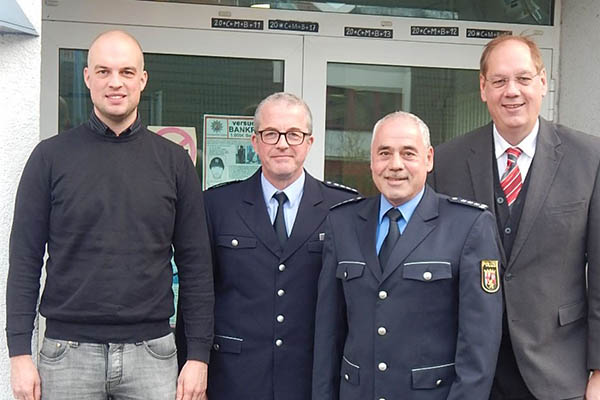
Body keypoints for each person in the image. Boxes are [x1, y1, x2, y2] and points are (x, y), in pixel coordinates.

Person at [6, 30, 213, 400]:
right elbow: (24, 260)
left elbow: (196, 265)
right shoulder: (50, 159)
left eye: (126, 72)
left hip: (152, 352)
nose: (115, 82)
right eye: (103, 71)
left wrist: (197, 355)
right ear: (87, 78)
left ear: (143, 80)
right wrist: (19, 352)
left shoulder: (174, 163)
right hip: (66, 354)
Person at [429, 34, 600, 400]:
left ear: (543, 83)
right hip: (470, 373)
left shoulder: (590, 158)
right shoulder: (447, 162)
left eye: (523, 79)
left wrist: (599, 371)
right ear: (482, 88)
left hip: (558, 371)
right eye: (499, 80)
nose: (512, 91)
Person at [176, 92, 358, 400]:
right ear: (255, 141)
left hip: (311, 380)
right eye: (270, 133)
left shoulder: (344, 208)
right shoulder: (218, 205)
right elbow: (198, 291)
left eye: (294, 134)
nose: (282, 143)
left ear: (309, 143)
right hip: (233, 378)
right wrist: (192, 362)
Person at [312, 111, 503, 400]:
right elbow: (328, 335)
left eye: (408, 153)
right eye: (384, 153)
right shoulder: (343, 223)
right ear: (372, 162)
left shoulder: (468, 225)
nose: (395, 165)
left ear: (428, 158)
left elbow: (479, 346)